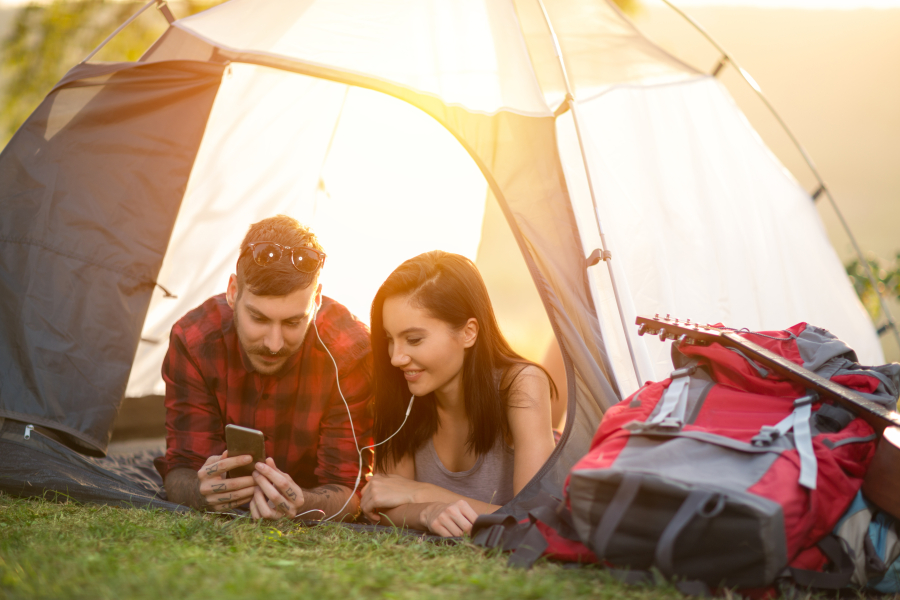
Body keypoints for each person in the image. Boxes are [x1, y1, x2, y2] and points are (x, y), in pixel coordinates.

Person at [154, 215, 372, 521]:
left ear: (317, 300)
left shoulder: (351, 352)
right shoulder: (194, 341)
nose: (273, 343)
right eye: (258, 318)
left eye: (294, 322)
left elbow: (349, 489)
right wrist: (197, 492)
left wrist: (303, 505)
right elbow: (183, 468)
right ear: (233, 291)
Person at [360, 251, 557, 536]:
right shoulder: (402, 387)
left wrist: (421, 493)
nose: (396, 358)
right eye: (390, 339)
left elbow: (532, 520)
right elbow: (385, 504)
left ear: (469, 332)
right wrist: (428, 512)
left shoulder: (521, 384)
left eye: (414, 339)